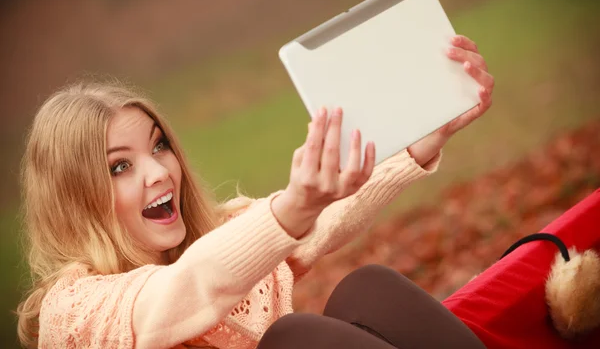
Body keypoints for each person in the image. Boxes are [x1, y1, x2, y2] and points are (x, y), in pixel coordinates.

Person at [16, 35, 493, 349]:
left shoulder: (215, 237)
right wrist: (293, 208)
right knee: (293, 339)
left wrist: (418, 143)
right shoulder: (72, 311)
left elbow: (318, 221)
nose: (159, 172)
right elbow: (180, 292)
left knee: (366, 289)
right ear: (75, 198)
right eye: (120, 166)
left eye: (159, 146)